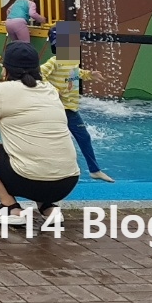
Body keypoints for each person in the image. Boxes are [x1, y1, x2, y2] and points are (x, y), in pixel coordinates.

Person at [0, 41, 80, 223]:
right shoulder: (50, 90)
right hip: (67, 182)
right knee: (35, 149)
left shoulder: (1, 90)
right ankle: (48, 208)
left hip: (30, 181)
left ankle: (10, 207)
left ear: (6, 69)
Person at [41, 21, 113, 182]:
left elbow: (75, 72)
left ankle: (94, 170)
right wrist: (52, 90)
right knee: (54, 140)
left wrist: (89, 74)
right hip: (58, 108)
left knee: (83, 137)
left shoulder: (72, 61)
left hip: (71, 108)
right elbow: (39, 74)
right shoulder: (55, 61)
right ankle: (47, 171)